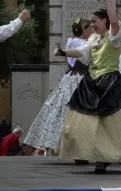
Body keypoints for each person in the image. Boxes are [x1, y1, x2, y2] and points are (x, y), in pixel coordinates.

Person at [54, 0, 121, 174]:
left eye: (94, 21)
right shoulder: (93, 40)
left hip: (110, 82)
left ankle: (104, 158)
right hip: (92, 83)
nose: (91, 24)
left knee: (111, 124)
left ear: (104, 22)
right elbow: (82, 52)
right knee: (81, 121)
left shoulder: (114, 37)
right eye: (90, 22)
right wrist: (64, 52)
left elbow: (115, 22)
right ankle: (86, 152)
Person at [23, 18, 92, 158]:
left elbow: (60, 52)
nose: (91, 31)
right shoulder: (82, 43)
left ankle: (59, 144)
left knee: (59, 111)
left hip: (70, 77)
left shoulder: (70, 41)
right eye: (89, 28)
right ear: (83, 29)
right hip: (80, 78)